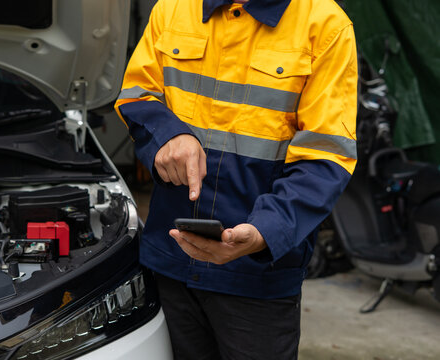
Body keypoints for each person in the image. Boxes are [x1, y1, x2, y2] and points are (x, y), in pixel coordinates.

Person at [115, 0, 357, 358]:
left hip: (257, 281)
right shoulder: (173, 8)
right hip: (169, 261)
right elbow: (138, 94)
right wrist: (168, 134)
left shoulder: (325, 25)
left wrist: (265, 231)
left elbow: (325, 156)